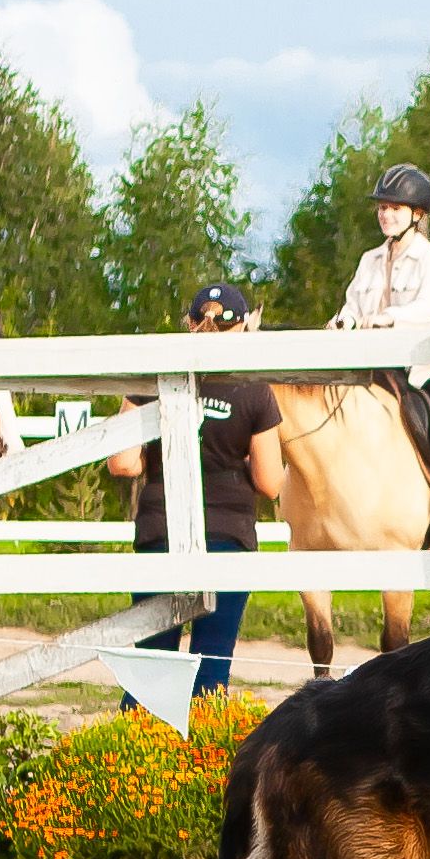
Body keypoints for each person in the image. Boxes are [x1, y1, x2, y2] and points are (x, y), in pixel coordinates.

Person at [106, 280, 283, 702]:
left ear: (189, 323)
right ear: (242, 328)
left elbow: (122, 462)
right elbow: (270, 482)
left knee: (152, 663)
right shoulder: (254, 390)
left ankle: (135, 755)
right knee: (212, 662)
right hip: (227, 534)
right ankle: (201, 763)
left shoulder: (154, 378)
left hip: (160, 529)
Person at [333, 162, 430, 498]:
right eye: (383, 208)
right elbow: (353, 304)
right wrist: (345, 321)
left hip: (421, 372)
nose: (386, 215)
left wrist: (390, 317)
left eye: (395, 208)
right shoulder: (368, 260)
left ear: (416, 215)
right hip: (375, 370)